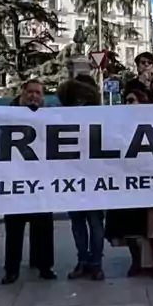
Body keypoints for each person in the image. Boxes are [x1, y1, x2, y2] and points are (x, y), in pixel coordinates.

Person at [106, 87, 153, 280]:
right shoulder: (119, 125)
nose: (128, 103)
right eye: (126, 100)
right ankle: (136, 262)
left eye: (132, 100)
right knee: (130, 226)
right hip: (129, 180)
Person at [2, 79, 56, 284]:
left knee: (43, 226)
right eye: (30, 92)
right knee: (14, 228)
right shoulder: (6, 115)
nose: (34, 96)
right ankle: (11, 269)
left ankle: (44, 266)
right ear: (22, 93)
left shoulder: (47, 116)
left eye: (38, 93)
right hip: (14, 180)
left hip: (41, 180)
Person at [60, 78, 107, 281]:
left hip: (94, 178)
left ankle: (95, 263)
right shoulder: (62, 117)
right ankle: (84, 261)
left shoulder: (101, 117)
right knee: (78, 223)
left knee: (95, 223)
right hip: (73, 178)